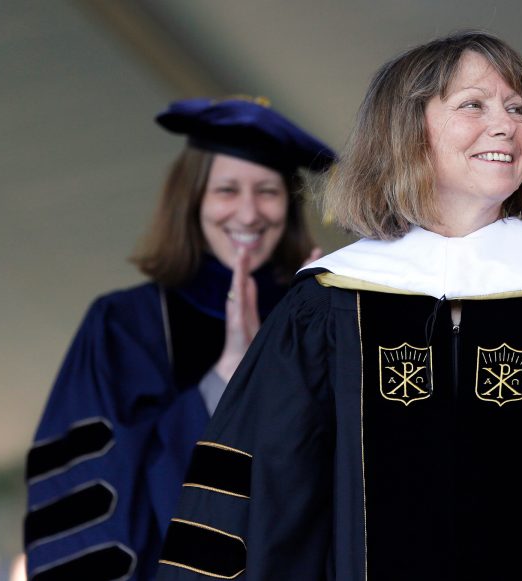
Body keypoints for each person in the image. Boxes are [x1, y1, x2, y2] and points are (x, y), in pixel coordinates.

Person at [156, 33, 522, 580]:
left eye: (516, 109)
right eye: (473, 106)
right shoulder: (329, 303)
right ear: (408, 133)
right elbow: (265, 492)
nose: (505, 127)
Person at [23, 97, 335, 581]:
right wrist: (225, 378)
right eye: (227, 189)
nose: (249, 213)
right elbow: (90, 497)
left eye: (268, 191)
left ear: (289, 206)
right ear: (191, 200)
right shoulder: (125, 325)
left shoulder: (320, 322)